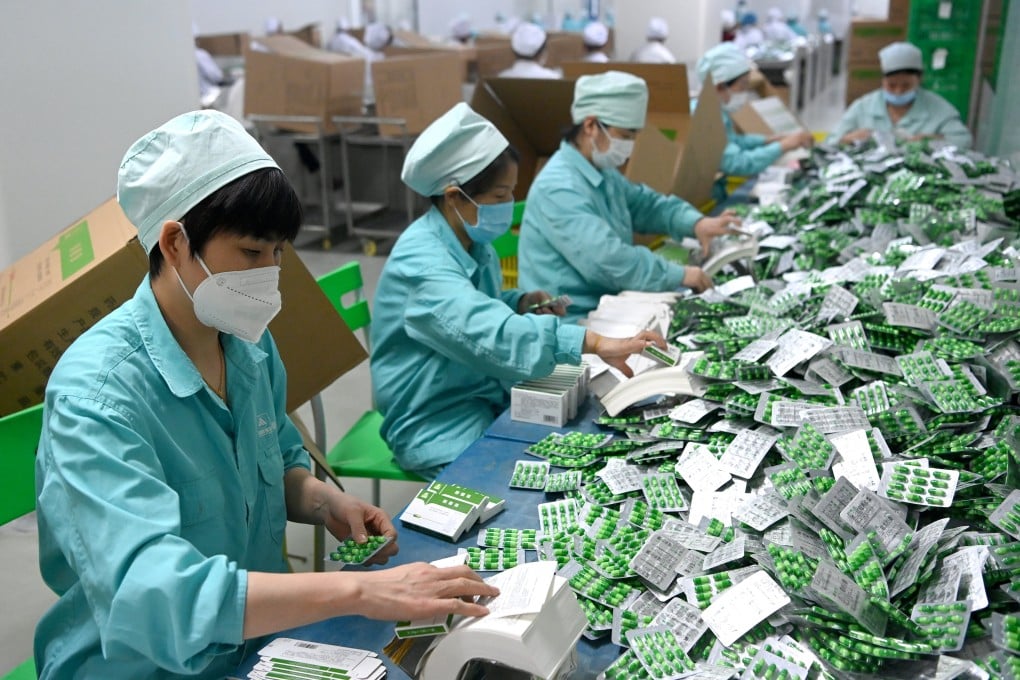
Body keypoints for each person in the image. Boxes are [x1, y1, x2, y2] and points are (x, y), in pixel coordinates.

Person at [33, 110, 499, 678]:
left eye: (279, 254)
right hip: (142, 665)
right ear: (176, 242)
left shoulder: (247, 347)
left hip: (258, 643)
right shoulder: (99, 396)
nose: (269, 275)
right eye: (252, 254)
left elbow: (276, 460)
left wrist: (327, 503)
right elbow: (156, 595)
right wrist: (357, 590)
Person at [370, 103, 665, 479]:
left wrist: (520, 302)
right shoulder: (422, 263)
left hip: (481, 392)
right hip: (434, 417)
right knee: (521, 487)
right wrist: (593, 342)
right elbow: (487, 333)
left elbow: (479, 310)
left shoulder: (471, 241)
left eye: (511, 193)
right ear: (454, 196)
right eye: (498, 197)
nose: (507, 206)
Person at [517, 72, 739, 323]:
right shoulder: (558, 188)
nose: (630, 145)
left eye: (634, 136)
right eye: (624, 136)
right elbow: (608, 260)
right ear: (591, 126)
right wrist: (680, 274)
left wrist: (696, 223)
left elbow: (646, 205)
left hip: (607, 303)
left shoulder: (602, 172)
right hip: (568, 317)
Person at [696, 42, 813, 195]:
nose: (745, 92)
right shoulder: (704, 118)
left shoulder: (716, 111)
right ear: (719, 87)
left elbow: (734, 141)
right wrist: (783, 145)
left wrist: (769, 140)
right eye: (742, 85)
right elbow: (738, 163)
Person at [829, 42, 972, 148]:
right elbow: (831, 143)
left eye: (906, 86)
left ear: (919, 80)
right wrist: (848, 139)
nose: (898, 91)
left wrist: (933, 141)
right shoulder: (864, 107)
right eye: (891, 85)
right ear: (882, 81)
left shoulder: (938, 108)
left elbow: (964, 142)